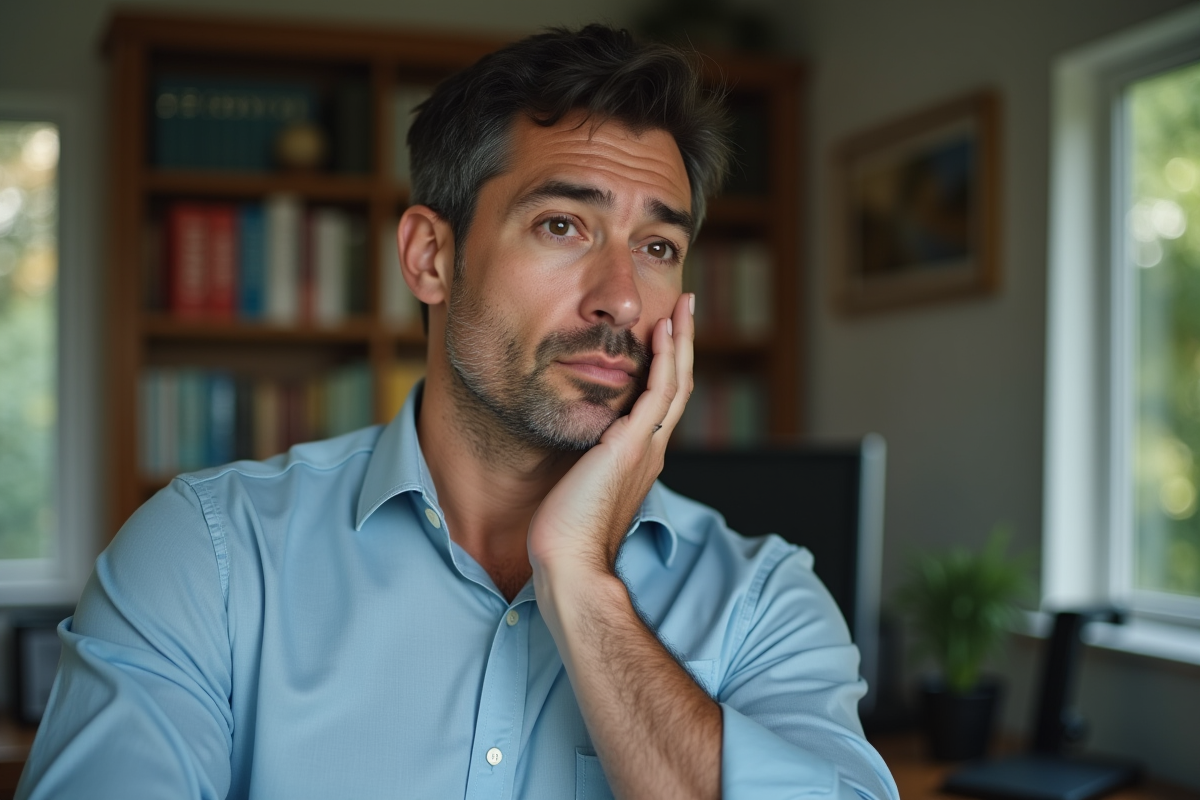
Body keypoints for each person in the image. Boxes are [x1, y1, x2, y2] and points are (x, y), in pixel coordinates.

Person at [18, 25, 898, 800]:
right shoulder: (205, 559)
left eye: (658, 246)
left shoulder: (765, 603)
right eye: (564, 226)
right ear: (431, 257)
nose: (623, 300)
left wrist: (583, 584)